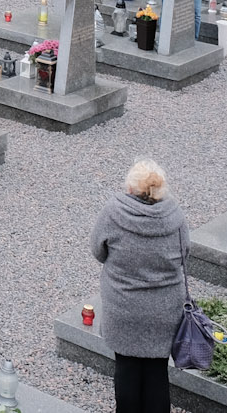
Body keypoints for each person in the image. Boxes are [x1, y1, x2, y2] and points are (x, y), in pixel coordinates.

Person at [90, 159, 189, 413]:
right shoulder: (175, 216)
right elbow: (184, 255)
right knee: (157, 372)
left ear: (131, 187)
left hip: (123, 307)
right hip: (164, 310)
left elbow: (98, 251)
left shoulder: (114, 212)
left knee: (126, 369)